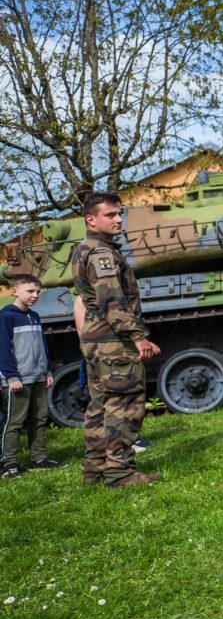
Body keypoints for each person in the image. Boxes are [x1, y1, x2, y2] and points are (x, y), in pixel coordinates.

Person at [72, 192, 162, 487]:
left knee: (99, 406)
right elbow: (112, 300)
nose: (118, 219)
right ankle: (120, 473)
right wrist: (138, 338)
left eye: (119, 214)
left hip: (97, 340)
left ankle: (95, 471)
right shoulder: (101, 253)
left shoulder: (84, 248)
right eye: (110, 215)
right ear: (91, 219)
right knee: (125, 405)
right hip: (114, 341)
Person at [0, 274, 60, 478]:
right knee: (14, 423)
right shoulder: (6, 316)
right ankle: (9, 464)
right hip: (18, 380)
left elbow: (42, 345)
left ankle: (39, 459)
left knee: (39, 419)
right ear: (15, 291)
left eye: (38, 291)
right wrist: (11, 377)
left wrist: (47, 371)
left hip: (39, 377)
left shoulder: (34, 315)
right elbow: (3, 350)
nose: (35, 295)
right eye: (30, 291)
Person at [72, 296, 151, 452]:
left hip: (110, 351)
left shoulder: (101, 294)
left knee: (123, 399)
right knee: (107, 400)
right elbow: (83, 330)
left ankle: (126, 440)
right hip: (102, 353)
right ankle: (108, 445)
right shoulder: (84, 299)